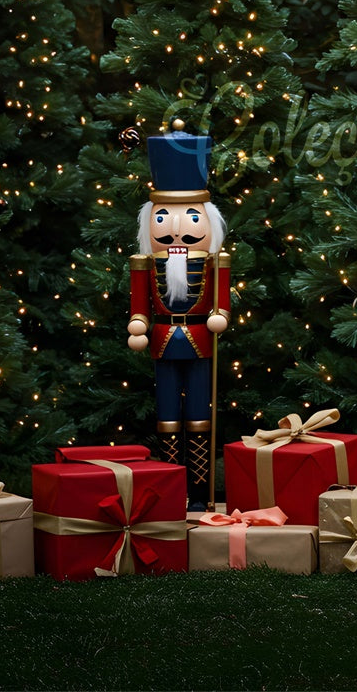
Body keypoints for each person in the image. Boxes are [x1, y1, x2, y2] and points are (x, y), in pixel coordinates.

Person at [127, 120, 231, 510]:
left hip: (201, 341)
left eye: (189, 217)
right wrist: (138, 324)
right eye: (162, 218)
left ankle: (201, 497)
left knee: (200, 417)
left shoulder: (216, 261)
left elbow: (223, 303)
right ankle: (174, 492)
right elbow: (140, 306)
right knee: (168, 418)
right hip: (163, 343)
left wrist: (220, 315)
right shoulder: (144, 262)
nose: (175, 229)